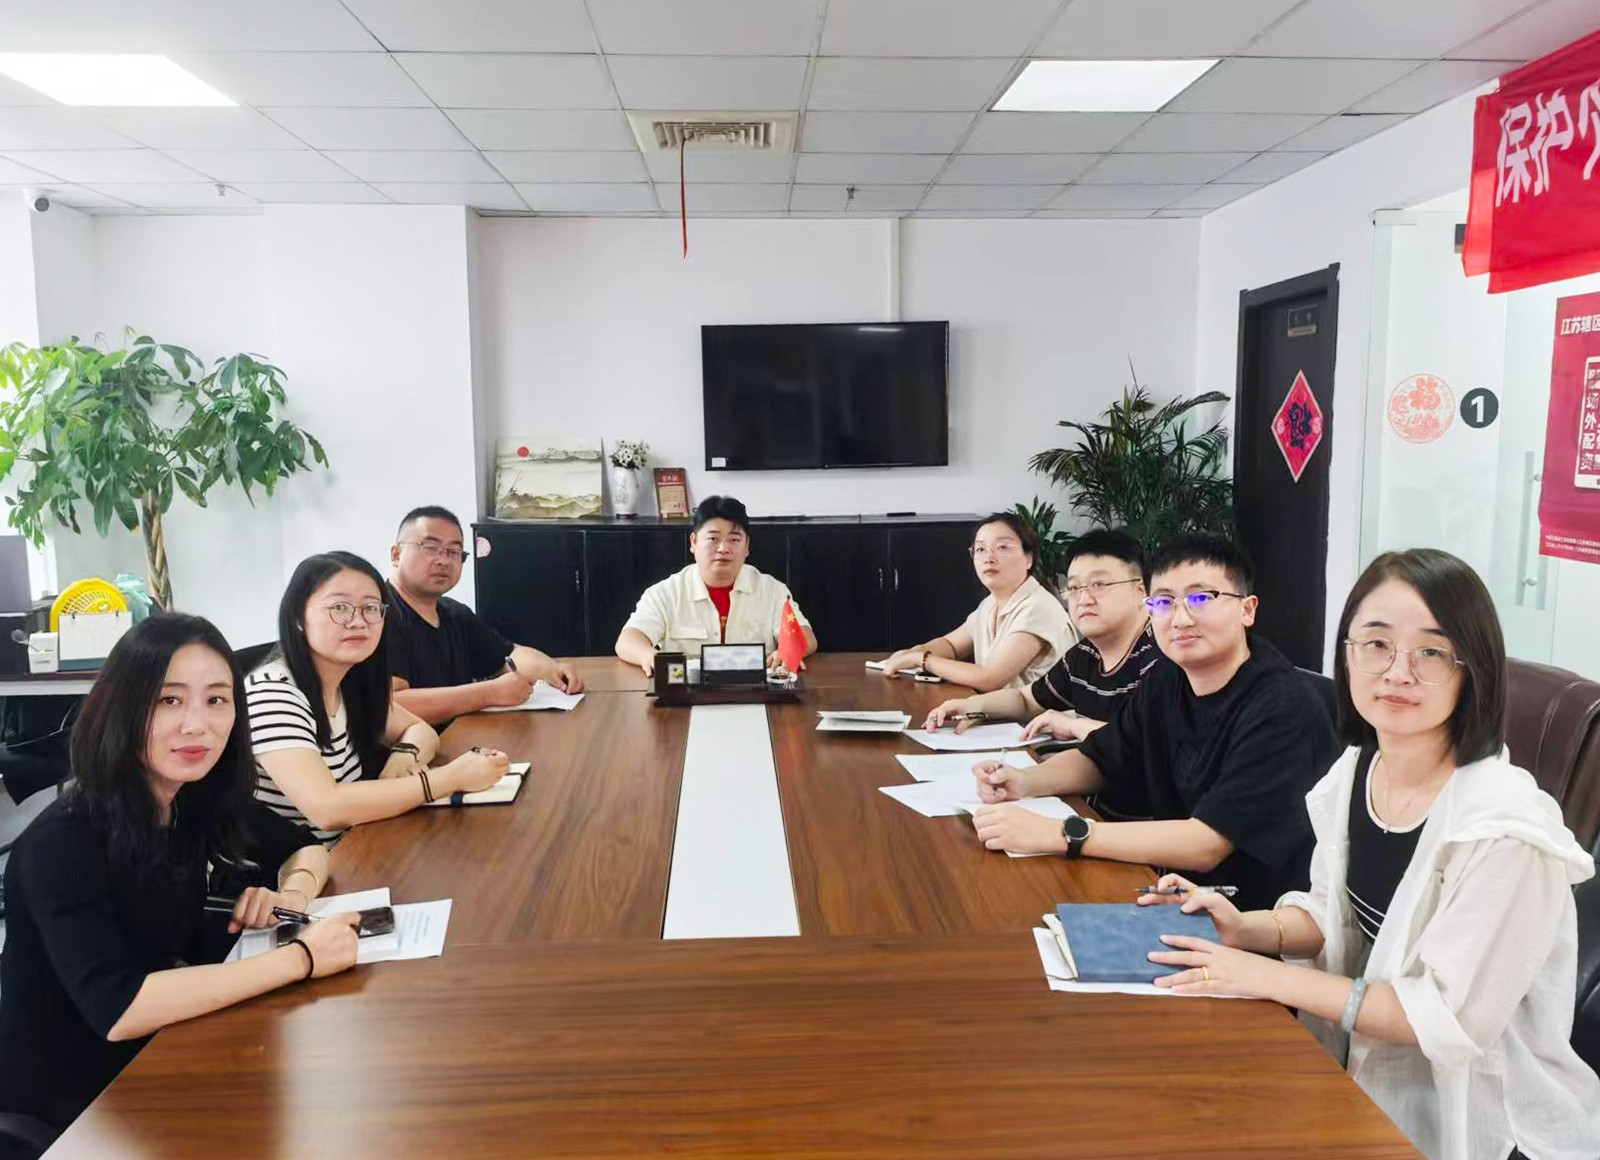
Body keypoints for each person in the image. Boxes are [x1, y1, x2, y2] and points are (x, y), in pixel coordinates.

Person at [1139, 549, 1600, 1160]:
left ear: (1473, 669)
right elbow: (1338, 915)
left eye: (1432, 652)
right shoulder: (1361, 767)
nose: (1398, 672)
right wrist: (1246, 930)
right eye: (1376, 644)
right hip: (1361, 1079)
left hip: (1484, 1122)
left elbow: (1444, 1016)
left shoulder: (1505, 830)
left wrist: (1262, 975)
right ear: (1347, 654)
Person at [0, 614, 362, 1142]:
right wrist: (301, 958)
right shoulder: (61, 843)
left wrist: (290, 895)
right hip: (78, 1099)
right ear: (123, 708)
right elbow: (121, 1007)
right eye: (169, 700)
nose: (197, 724)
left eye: (216, 700)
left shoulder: (190, 796)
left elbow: (304, 846)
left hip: (162, 1044)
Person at [970, 533, 1338, 911]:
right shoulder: (1167, 678)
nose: (1180, 618)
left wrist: (1062, 833)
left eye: (1201, 598)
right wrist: (1023, 781)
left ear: (1247, 609)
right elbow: (1103, 757)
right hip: (1174, 893)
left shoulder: (1283, 708)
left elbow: (1206, 844)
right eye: (1163, 602)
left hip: (1255, 918)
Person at [249, 551, 508, 845]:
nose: (358, 621)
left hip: (357, 844)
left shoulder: (349, 679)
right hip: (304, 867)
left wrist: (404, 756)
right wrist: (451, 778)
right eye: (340, 607)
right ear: (298, 617)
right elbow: (327, 809)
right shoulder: (272, 694)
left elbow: (420, 730)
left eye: (371, 608)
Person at [925, 528, 1166, 740]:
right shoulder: (1084, 655)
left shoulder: (1162, 656)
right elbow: (1027, 700)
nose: (1083, 599)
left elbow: (1148, 743)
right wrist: (972, 706)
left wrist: (1073, 726)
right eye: (1074, 587)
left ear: (1141, 591)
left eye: (1099, 585)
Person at [386, 505, 583, 726]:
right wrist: (488, 693)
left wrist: (553, 670)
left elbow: (509, 656)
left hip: (460, 737)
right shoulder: (377, 615)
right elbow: (391, 706)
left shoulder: (455, 614)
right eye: (431, 547)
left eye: (454, 551)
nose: (444, 560)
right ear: (396, 555)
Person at [616, 495, 817, 676]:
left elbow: (805, 637)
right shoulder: (665, 593)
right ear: (694, 542)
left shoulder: (771, 590)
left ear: (747, 546)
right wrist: (648, 655)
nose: (723, 548)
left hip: (755, 691)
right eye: (713, 538)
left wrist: (786, 652)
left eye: (734, 539)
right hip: (685, 692)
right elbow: (628, 640)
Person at [877, 513, 1072, 692]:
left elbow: (991, 679)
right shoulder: (990, 604)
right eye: (980, 549)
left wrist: (922, 659)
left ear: (1029, 558)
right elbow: (951, 645)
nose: (989, 558)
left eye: (1003, 547)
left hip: (1036, 718)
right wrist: (916, 651)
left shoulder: (1038, 608)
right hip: (996, 712)